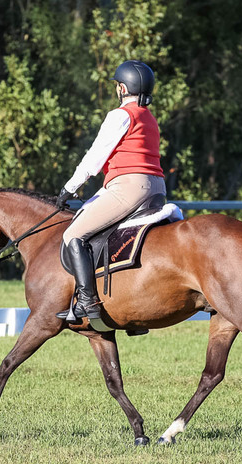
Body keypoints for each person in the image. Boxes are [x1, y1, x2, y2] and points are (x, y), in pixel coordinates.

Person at [55, 60, 166, 323]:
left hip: (129, 187)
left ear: (123, 88)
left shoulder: (120, 115)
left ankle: (86, 301)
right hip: (156, 188)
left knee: (74, 234)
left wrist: (69, 188)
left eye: (118, 86)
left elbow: (95, 157)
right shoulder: (149, 118)